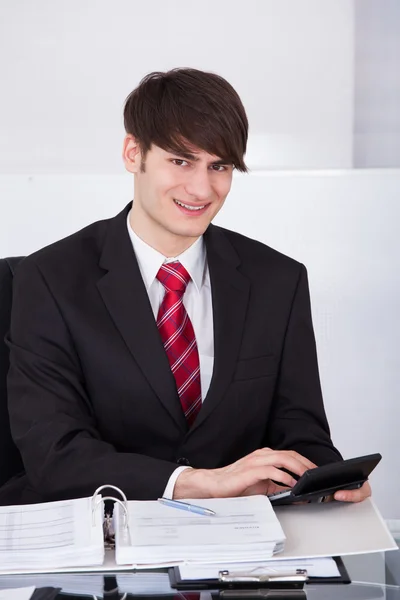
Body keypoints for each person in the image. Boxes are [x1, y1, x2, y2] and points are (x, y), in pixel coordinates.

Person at [0, 68, 370, 505]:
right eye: (180, 160)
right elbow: (54, 454)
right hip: (101, 538)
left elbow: (301, 431)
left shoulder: (278, 280)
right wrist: (193, 482)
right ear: (133, 153)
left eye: (220, 166)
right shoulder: (48, 279)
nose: (201, 188)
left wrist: (324, 479)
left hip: (239, 547)